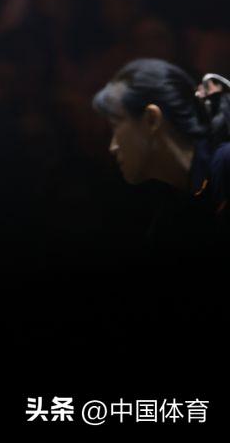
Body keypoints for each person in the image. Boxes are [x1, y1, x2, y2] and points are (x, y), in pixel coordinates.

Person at [92, 58, 228, 335]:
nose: (112, 146)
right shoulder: (169, 221)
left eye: (116, 125)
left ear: (152, 119)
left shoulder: (225, 166)